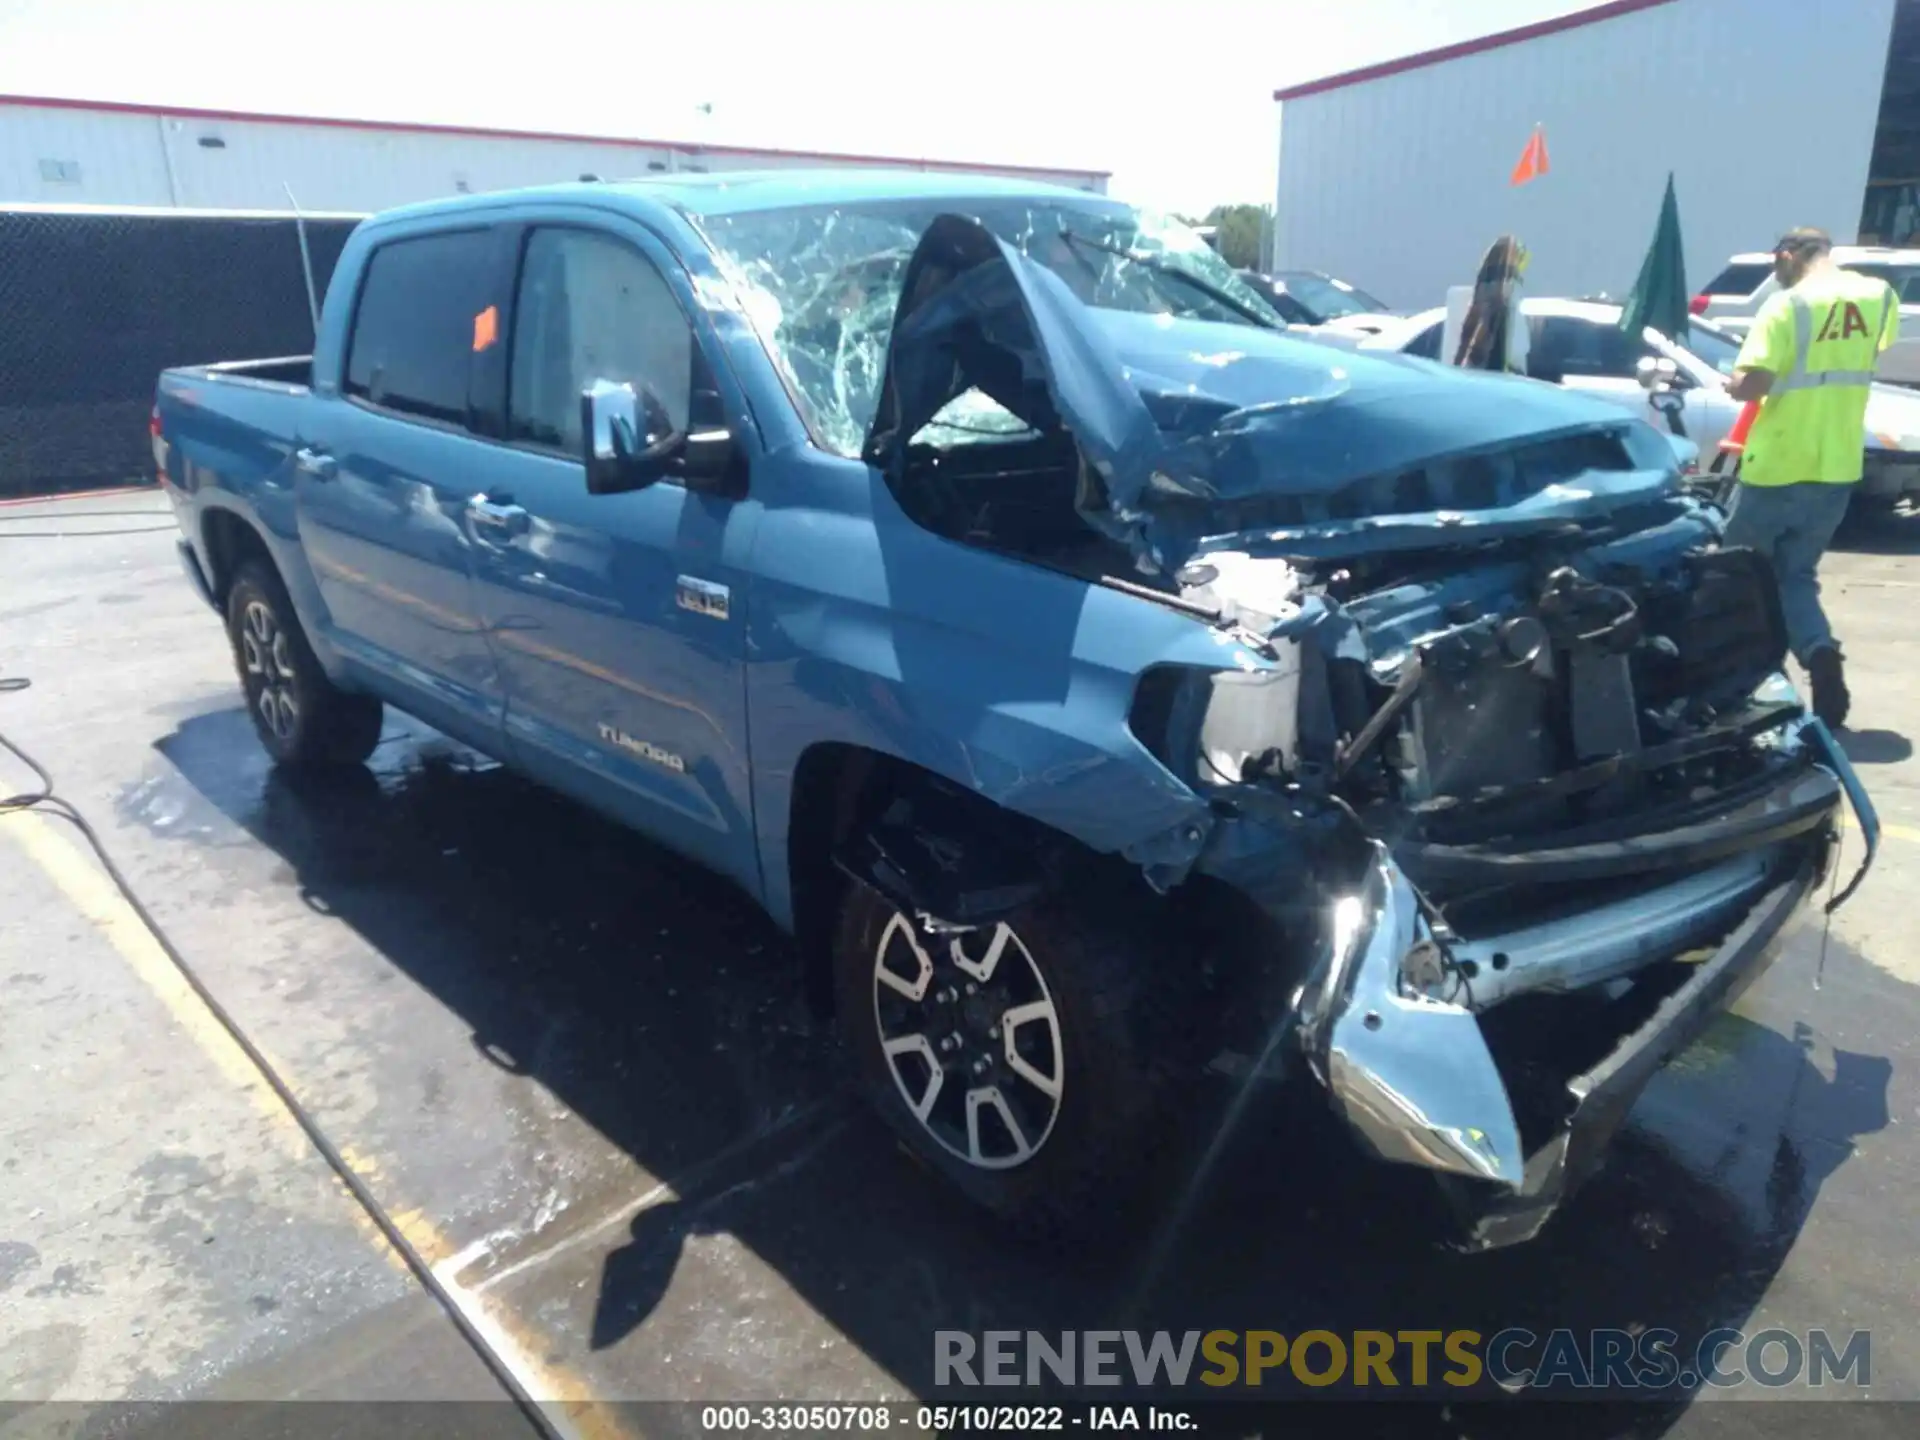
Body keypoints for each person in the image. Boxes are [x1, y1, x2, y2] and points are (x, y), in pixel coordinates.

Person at [1724, 228, 1900, 727]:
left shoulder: (1787, 307)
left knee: (1735, 578)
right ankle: (1818, 649)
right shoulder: (1878, 296)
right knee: (1795, 575)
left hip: (1777, 466)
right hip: (1836, 467)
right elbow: (1866, 351)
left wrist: (1732, 381)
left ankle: (1739, 686)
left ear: (1787, 256)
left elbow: (1754, 382)